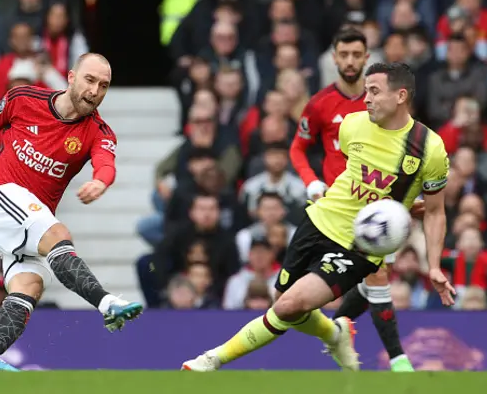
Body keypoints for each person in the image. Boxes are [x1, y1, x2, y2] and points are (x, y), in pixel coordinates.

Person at [181, 62, 456, 372]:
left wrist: (433, 265)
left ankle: (212, 360)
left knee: (287, 307)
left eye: (375, 91)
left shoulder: (429, 149)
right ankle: (335, 333)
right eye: (366, 90)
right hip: (318, 221)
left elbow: (435, 211)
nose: (366, 99)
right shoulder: (353, 125)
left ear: (401, 95)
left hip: (359, 245)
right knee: (284, 302)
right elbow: (356, 180)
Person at [0, 53, 143, 372]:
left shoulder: (99, 131)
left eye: (103, 85)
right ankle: (107, 303)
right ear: (70, 77)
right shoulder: (24, 99)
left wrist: (100, 182)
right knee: (58, 234)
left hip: (28, 222)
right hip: (0, 199)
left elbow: (107, 164)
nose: (95, 91)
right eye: (90, 80)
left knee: (29, 287)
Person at [291, 28, 415, 372]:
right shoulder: (319, 104)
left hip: (376, 207)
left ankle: (397, 359)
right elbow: (298, 147)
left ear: (366, 56)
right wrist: (311, 181)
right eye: (343, 54)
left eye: (356, 54)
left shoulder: (383, 101)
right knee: (365, 278)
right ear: (333, 57)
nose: (349, 61)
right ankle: (340, 331)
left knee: (376, 274)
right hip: (335, 206)